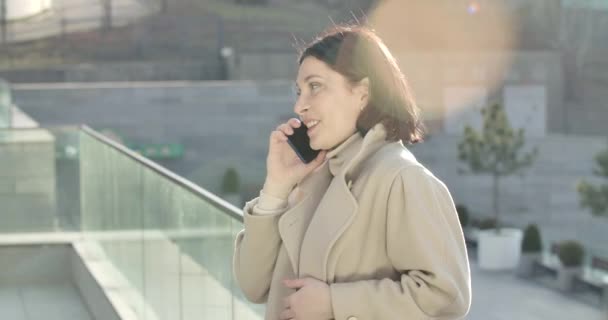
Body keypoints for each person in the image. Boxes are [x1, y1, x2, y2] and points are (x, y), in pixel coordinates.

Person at [233, 24, 471, 320]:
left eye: (315, 86)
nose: (299, 105)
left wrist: (335, 302)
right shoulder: (312, 178)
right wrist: (275, 189)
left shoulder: (402, 178)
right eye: (299, 91)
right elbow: (253, 286)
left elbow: (447, 297)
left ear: (363, 92)